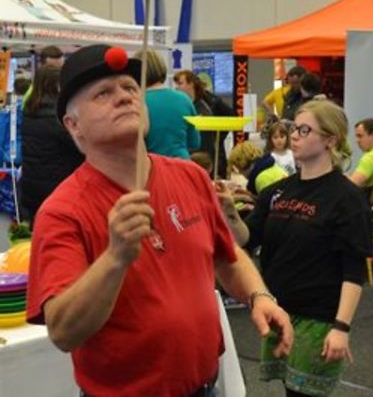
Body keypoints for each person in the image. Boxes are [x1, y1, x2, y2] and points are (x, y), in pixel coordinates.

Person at [25, 44, 293, 396]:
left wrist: (259, 295)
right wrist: (115, 258)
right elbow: (63, 332)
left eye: (130, 88)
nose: (124, 97)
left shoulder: (190, 177)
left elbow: (227, 256)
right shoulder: (62, 212)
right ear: (73, 126)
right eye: (104, 93)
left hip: (205, 387)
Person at [225, 99, 373, 396]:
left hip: (318, 319)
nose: (294, 135)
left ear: (330, 140)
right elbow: (246, 239)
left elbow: (353, 270)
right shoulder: (277, 191)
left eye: (305, 130)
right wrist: (229, 212)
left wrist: (341, 327)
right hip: (279, 312)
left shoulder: (347, 198)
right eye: (294, 128)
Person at [20, 64, 84, 226]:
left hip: (31, 183)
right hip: (56, 185)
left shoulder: (29, 110)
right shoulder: (57, 116)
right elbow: (80, 147)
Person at [139, 50, 201, 159]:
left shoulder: (136, 102)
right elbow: (195, 142)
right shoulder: (184, 99)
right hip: (181, 164)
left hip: (151, 164)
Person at [174, 69, 235, 178]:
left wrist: (219, 138)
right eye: (176, 84)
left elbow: (230, 115)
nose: (176, 88)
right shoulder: (183, 106)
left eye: (180, 83)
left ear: (191, 84)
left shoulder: (206, 106)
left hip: (205, 159)